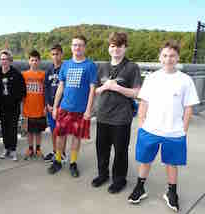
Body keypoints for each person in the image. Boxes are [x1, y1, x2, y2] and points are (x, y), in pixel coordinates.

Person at [128, 40, 199, 212]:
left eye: (172, 56)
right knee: (145, 160)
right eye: (165, 55)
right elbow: (144, 101)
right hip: (150, 128)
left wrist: (184, 128)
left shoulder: (186, 80)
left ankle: (172, 192)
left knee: (171, 163)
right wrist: (141, 122)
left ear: (178, 58)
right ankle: (140, 187)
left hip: (174, 131)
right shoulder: (152, 78)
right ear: (160, 57)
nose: (168, 59)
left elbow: (189, 107)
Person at [91, 32, 142, 193]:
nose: (116, 49)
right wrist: (106, 86)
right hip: (103, 115)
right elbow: (95, 90)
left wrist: (117, 87)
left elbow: (137, 93)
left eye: (120, 46)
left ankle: (119, 180)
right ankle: (103, 175)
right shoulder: (102, 67)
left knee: (120, 151)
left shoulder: (132, 67)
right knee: (102, 149)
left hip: (121, 118)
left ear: (125, 48)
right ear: (109, 48)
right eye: (113, 46)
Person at [47, 35, 97, 177]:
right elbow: (61, 87)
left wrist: (89, 110)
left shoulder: (90, 65)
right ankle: (57, 160)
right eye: (75, 45)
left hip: (80, 110)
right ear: (71, 47)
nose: (77, 48)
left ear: (84, 47)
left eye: (80, 45)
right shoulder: (66, 65)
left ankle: (73, 163)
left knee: (76, 137)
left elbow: (92, 88)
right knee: (60, 135)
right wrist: (55, 107)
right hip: (65, 108)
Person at [0, 49, 26, 161]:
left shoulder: (16, 73)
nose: (4, 61)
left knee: (12, 129)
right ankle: (6, 148)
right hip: (2, 108)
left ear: (10, 60)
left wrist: (15, 101)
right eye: (2, 59)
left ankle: (13, 150)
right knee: (4, 128)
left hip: (13, 107)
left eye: (6, 59)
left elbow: (22, 90)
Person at [44, 44, 67, 163]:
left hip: (62, 106)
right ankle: (55, 151)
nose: (55, 56)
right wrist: (47, 104)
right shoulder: (49, 70)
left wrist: (60, 106)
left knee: (62, 131)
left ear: (61, 54)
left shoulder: (66, 68)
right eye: (53, 54)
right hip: (50, 106)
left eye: (57, 54)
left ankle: (62, 153)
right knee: (53, 130)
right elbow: (46, 88)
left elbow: (68, 89)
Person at [22, 50, 46, 160]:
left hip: (40, 108)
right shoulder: (24, 75)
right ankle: (30, 148)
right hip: (28, 108)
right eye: (32, 60)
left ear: (39, 61)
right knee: (29, 131)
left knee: (38, 131)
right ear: (29, 61)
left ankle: (38, 148)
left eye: (36, 60)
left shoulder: (43, 74)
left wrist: (46, 105)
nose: (34, 62)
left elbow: (46, 91)